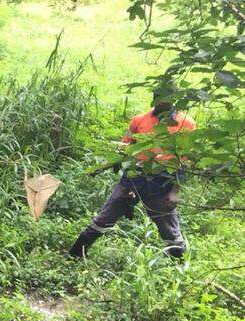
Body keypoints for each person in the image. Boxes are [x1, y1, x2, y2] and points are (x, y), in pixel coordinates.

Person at [69, 93, 196, 259]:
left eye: (165, 98)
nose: (161, 102)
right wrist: (103, 166)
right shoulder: (140, 119)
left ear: (174, 99)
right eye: (158, 98)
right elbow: (124, 149)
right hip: (133, 180)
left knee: (169, 231)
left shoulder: (186, 123)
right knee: (103, 219)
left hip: (162, 184)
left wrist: (175, 191)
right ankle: (74, 255)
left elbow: (186, 161)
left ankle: (177, 267)